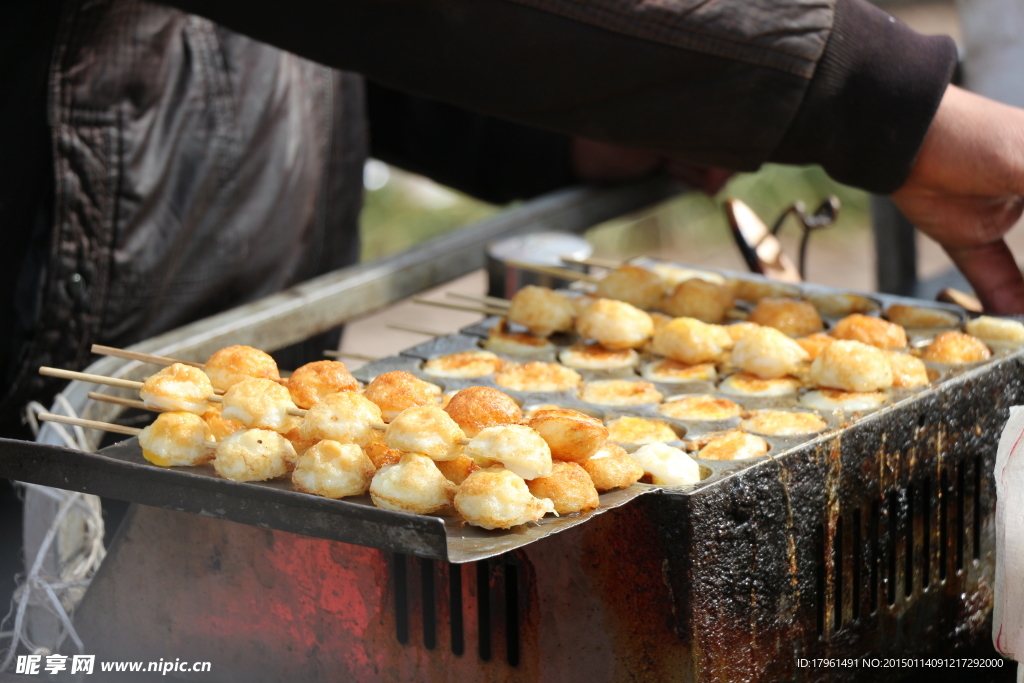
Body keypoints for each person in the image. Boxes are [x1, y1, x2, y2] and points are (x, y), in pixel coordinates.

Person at [2, 0, 1024, 651]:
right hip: (55, 408)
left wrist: (565, 137)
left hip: (250, 386)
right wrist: (882, 104)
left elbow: (336, 37)